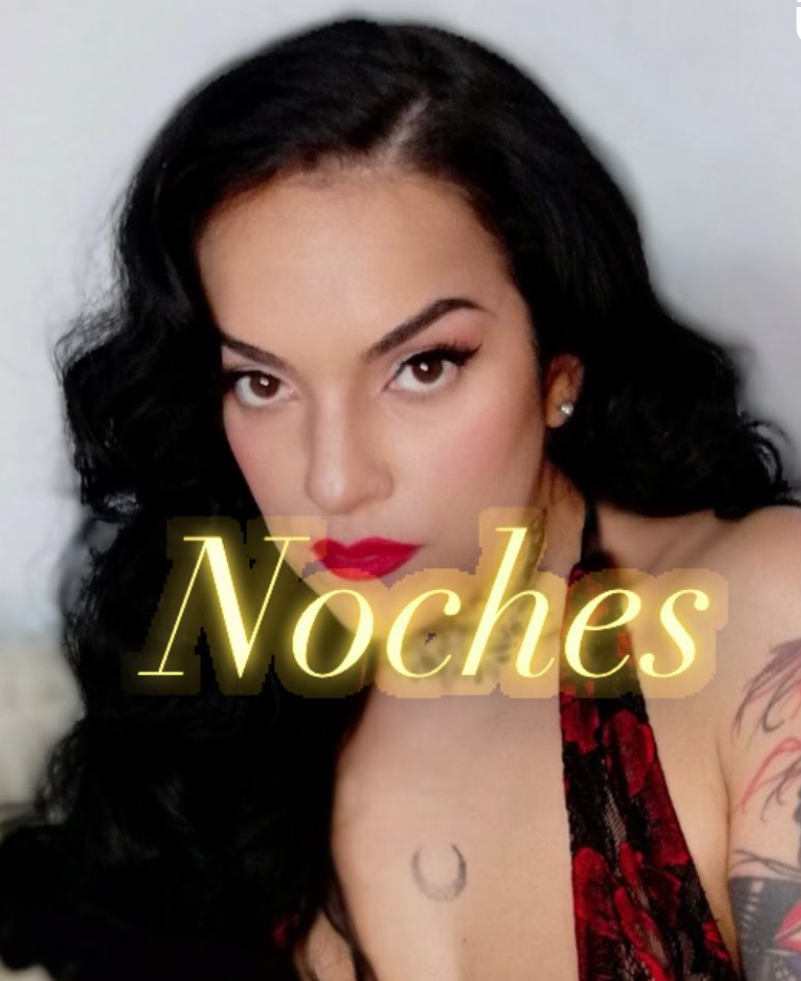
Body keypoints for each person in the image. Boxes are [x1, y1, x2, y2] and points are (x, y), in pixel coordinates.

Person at [0, 14, 799, 981]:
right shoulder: (218, 719)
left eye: (422, 366)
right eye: (262, 382)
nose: (334, 479)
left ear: (559, 365)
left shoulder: (759, 618)